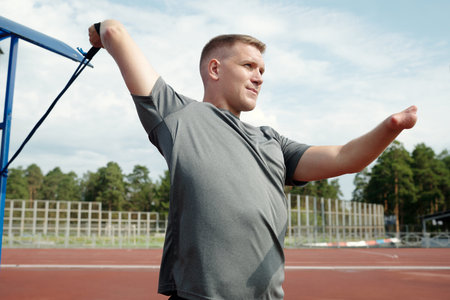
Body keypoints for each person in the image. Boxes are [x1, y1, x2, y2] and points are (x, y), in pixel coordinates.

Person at [88, 20, 417, 300]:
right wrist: (98, 33)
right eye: (248, 66)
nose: (259, 77)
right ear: (215, 68)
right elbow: (115, 31)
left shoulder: (272, 141)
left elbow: (347, 158)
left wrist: (391, 127)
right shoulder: (178, 115)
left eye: (262, 70)